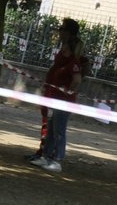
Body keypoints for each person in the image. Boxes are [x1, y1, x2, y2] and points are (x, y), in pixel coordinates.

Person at [31, 18, 86, 172]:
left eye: (62, 29)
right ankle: (45, 156)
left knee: (59, 130)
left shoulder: (72, 62)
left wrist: (67, 91)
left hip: (63, 100)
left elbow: (77, 79)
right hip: (53, 97)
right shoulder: (63, 60)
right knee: (51, 128)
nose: (61, 50)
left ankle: (57, 160)